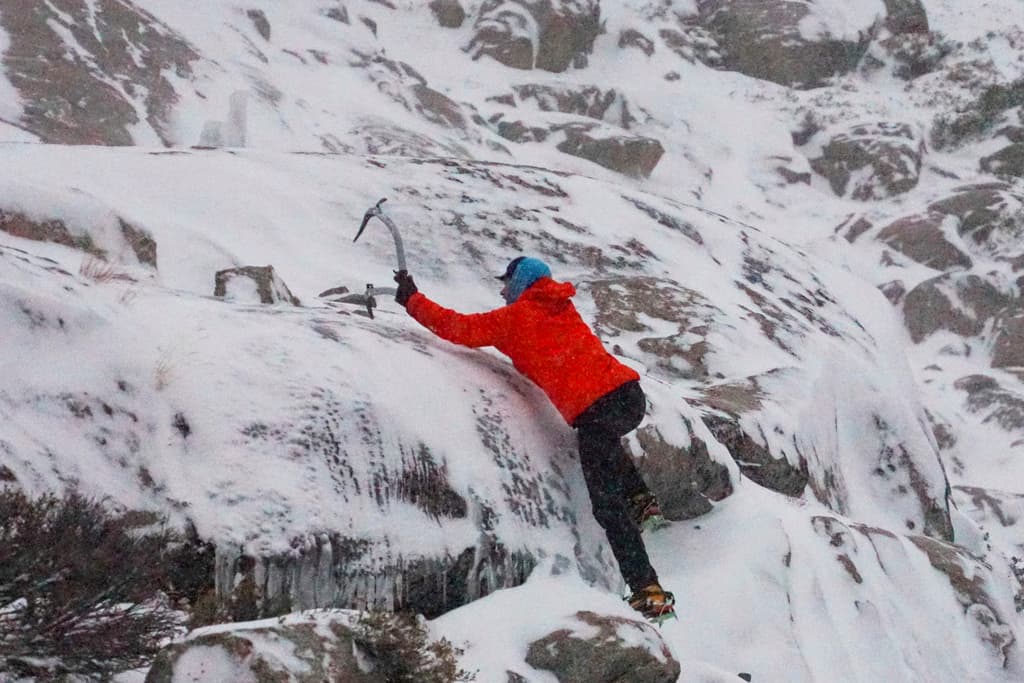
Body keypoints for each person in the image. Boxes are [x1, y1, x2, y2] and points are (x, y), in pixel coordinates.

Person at [393, 256, 675, 622]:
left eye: (507, 283)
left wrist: (412, 299)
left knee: (606, 504)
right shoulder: (561, 306)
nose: (502, 290)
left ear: (521, 282)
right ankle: (640, 498)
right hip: (629, 395)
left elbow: (459, 328)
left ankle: (647, 589)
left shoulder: (515, 318)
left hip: (598, 408)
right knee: (604, 442)